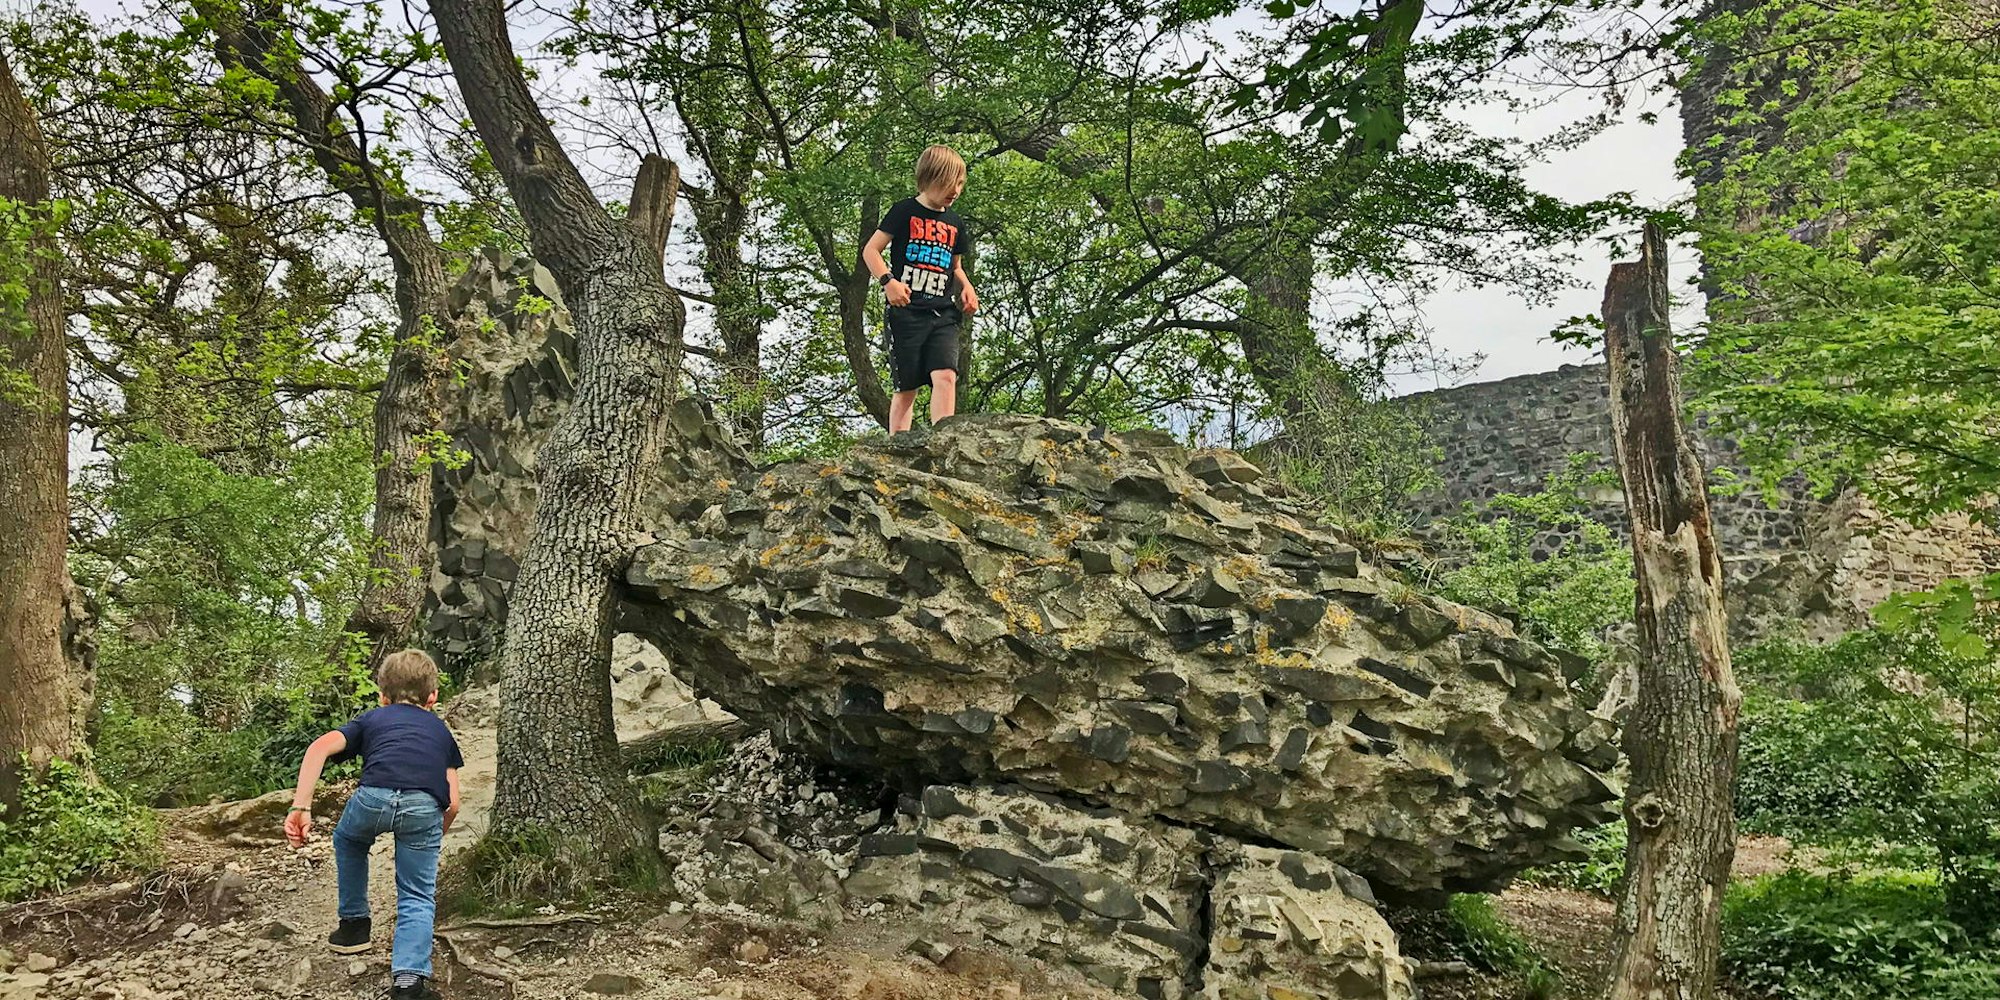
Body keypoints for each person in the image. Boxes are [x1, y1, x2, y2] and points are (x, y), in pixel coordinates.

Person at [284, 650, 463, 1000]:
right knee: (417, 893)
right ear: (433, 698)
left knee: (349, 841)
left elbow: (319, 747)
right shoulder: (441, 732)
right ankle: (409, 982)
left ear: (383, 696)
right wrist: (430, 835)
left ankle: (354, 926)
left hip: (372, 798)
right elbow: (454, 802)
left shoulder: (371, 719)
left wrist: (301, 806)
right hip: (425, 805)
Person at [862, 144, 980, 434]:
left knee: (946, 376)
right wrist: (888, 282)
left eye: (960, 184)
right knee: (908, 388)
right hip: (907, 313)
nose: (956, 191)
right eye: (949, 183)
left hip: (942, 314)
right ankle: (897, 448)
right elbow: (871, 251)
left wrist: (966, 286)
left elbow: (956, 267)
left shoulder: (955, 223)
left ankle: (943, 440)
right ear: (929, 178)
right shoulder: (904, 211)